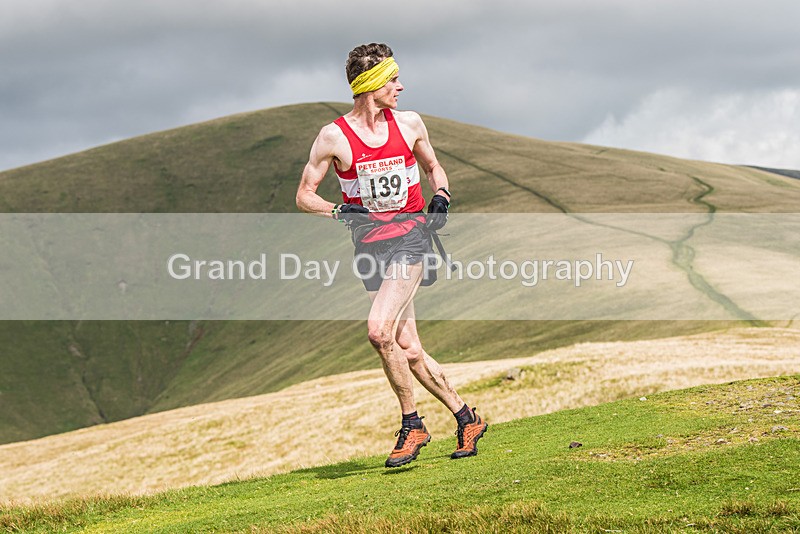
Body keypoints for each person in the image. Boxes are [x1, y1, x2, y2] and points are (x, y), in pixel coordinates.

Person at [296, 43, 487, 468]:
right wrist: (338, 210)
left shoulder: (410, 123)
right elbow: (304, 195)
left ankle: (412, 424)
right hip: (369, 248)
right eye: (392, 80)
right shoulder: (334, 137)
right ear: (371, 85)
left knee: (379, 331)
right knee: (409, 348)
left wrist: (442, 194)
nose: (400, 87)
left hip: (411, 240)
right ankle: (467, 418)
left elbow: (434, 167)